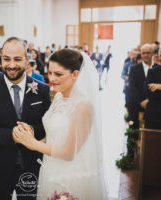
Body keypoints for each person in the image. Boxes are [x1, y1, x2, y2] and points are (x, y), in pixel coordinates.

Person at [13, 49, 107, 200]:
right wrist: (29, 136)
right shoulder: (58, 98)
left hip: (70, 175)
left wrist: (33, 144)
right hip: (50, 168)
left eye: (58, 74)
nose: (51, 78)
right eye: (50, 73)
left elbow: (69, 153)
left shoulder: (83, 106)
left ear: (75, 74)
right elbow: (53, 135)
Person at [0, 37, 51, 200]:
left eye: (17, 59)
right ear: (0, 59)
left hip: (33, 166)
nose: (11, 65)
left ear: (27, 60)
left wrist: (31, 130)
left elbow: (48, 127)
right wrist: (13, 135)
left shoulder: (42, 90)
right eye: (6, 59)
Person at [128, 44, 158, 129]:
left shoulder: (158, 68)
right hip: (137, 104)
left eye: (148, 53)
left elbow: (159, 87)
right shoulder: (134, 69)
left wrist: (149, 100)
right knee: (135, 129)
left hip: (154, 104)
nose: (145, 55)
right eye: (143, 53)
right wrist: (141, 101)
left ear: (152, 54)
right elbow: (133, 88)